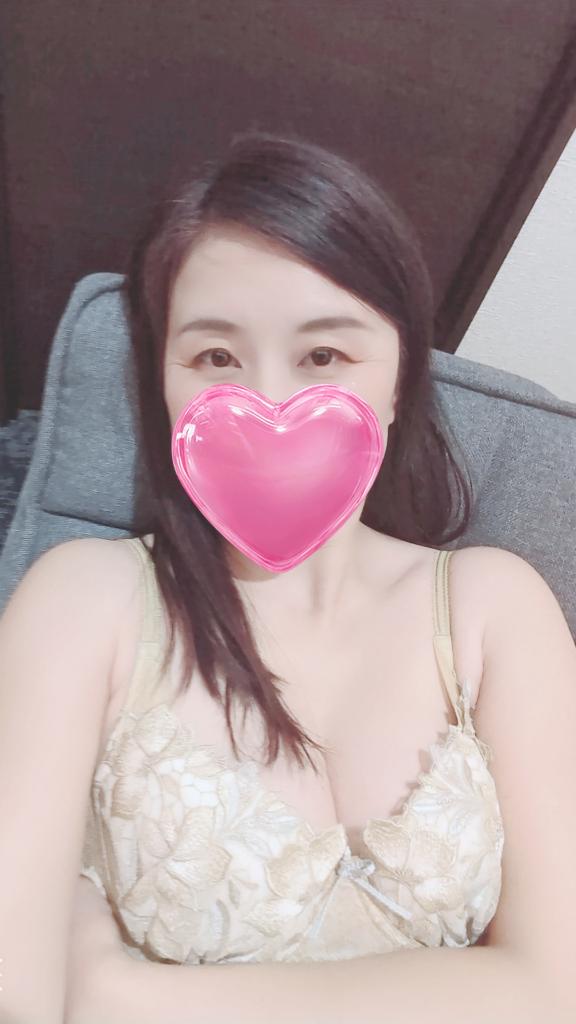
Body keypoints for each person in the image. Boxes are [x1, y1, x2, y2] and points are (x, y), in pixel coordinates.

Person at [1, 131, 575, 1024]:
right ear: (161, 383)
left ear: (399, 378)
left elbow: (556, 988)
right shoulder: (81, 600)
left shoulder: (495, 608)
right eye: (216, 358)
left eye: (323, 356)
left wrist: (126, 995)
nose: (268, 403)